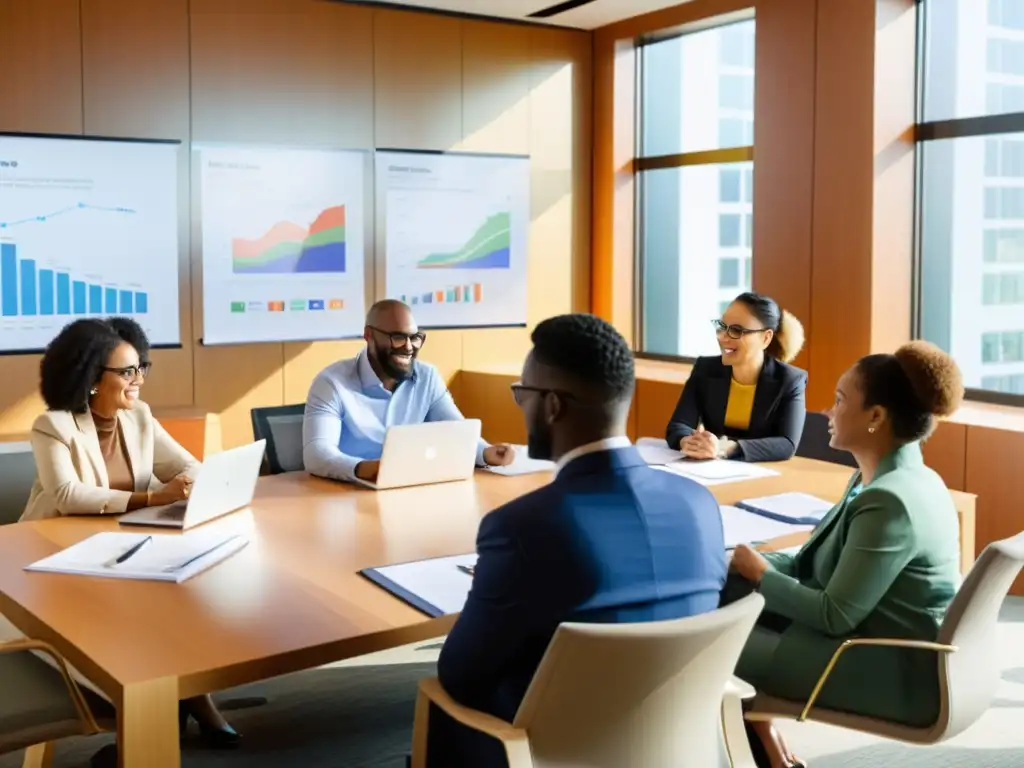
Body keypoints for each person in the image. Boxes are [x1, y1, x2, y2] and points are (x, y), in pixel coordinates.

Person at [427, 314, 729, 767]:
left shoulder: (524, 527)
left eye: (521, 394)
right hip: (678, 743)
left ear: (551, 406)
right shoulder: (699, 505)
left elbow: (459, 675)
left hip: (551, 752)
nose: (519, 405)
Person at [9, 317, 240, 758]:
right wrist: (151, 496)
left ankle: (165, 711)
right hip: (53, 557)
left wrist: (191, 483)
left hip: (119, 547)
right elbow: (67, 494)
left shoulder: (139, 416)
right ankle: (166, 713)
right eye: (128, 371)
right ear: (93, 378)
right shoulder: (54, 425)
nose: (139, 381)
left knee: (183, 593)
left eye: (141, 369)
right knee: (148, 615)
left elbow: (188, 465)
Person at [726, 341, 964, 768]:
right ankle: (766, 746)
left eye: (839, 400)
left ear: (876, 416)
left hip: (879, 667)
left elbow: (836, 614)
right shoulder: (886, 478)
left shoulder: (891, 501)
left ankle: (753, 747)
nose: (826, 412)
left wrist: (760, 573)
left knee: (703, 647)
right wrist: (738, 563)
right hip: (865, 645)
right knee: (722, 598)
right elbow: (807, 564)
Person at [303, 299, 514, 483]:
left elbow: (458, 432)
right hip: (348, 491)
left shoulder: (427, 377)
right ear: (369, 335)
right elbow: (317, 454)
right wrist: (366, 468)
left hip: (410, 488)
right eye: (397, 337)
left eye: (414, 337)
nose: (408, 346)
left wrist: (486, 453)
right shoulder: (331, 383)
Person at [665, 292, 807, 462]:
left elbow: (787, 443)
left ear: (766, 338)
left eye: (736, 330)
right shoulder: (705, 369)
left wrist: (725, 448)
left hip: (763, 474)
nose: (723, 337)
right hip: (709, 470)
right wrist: (689, 441)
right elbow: (678, 426)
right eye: (722, 326)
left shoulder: (789, 380)